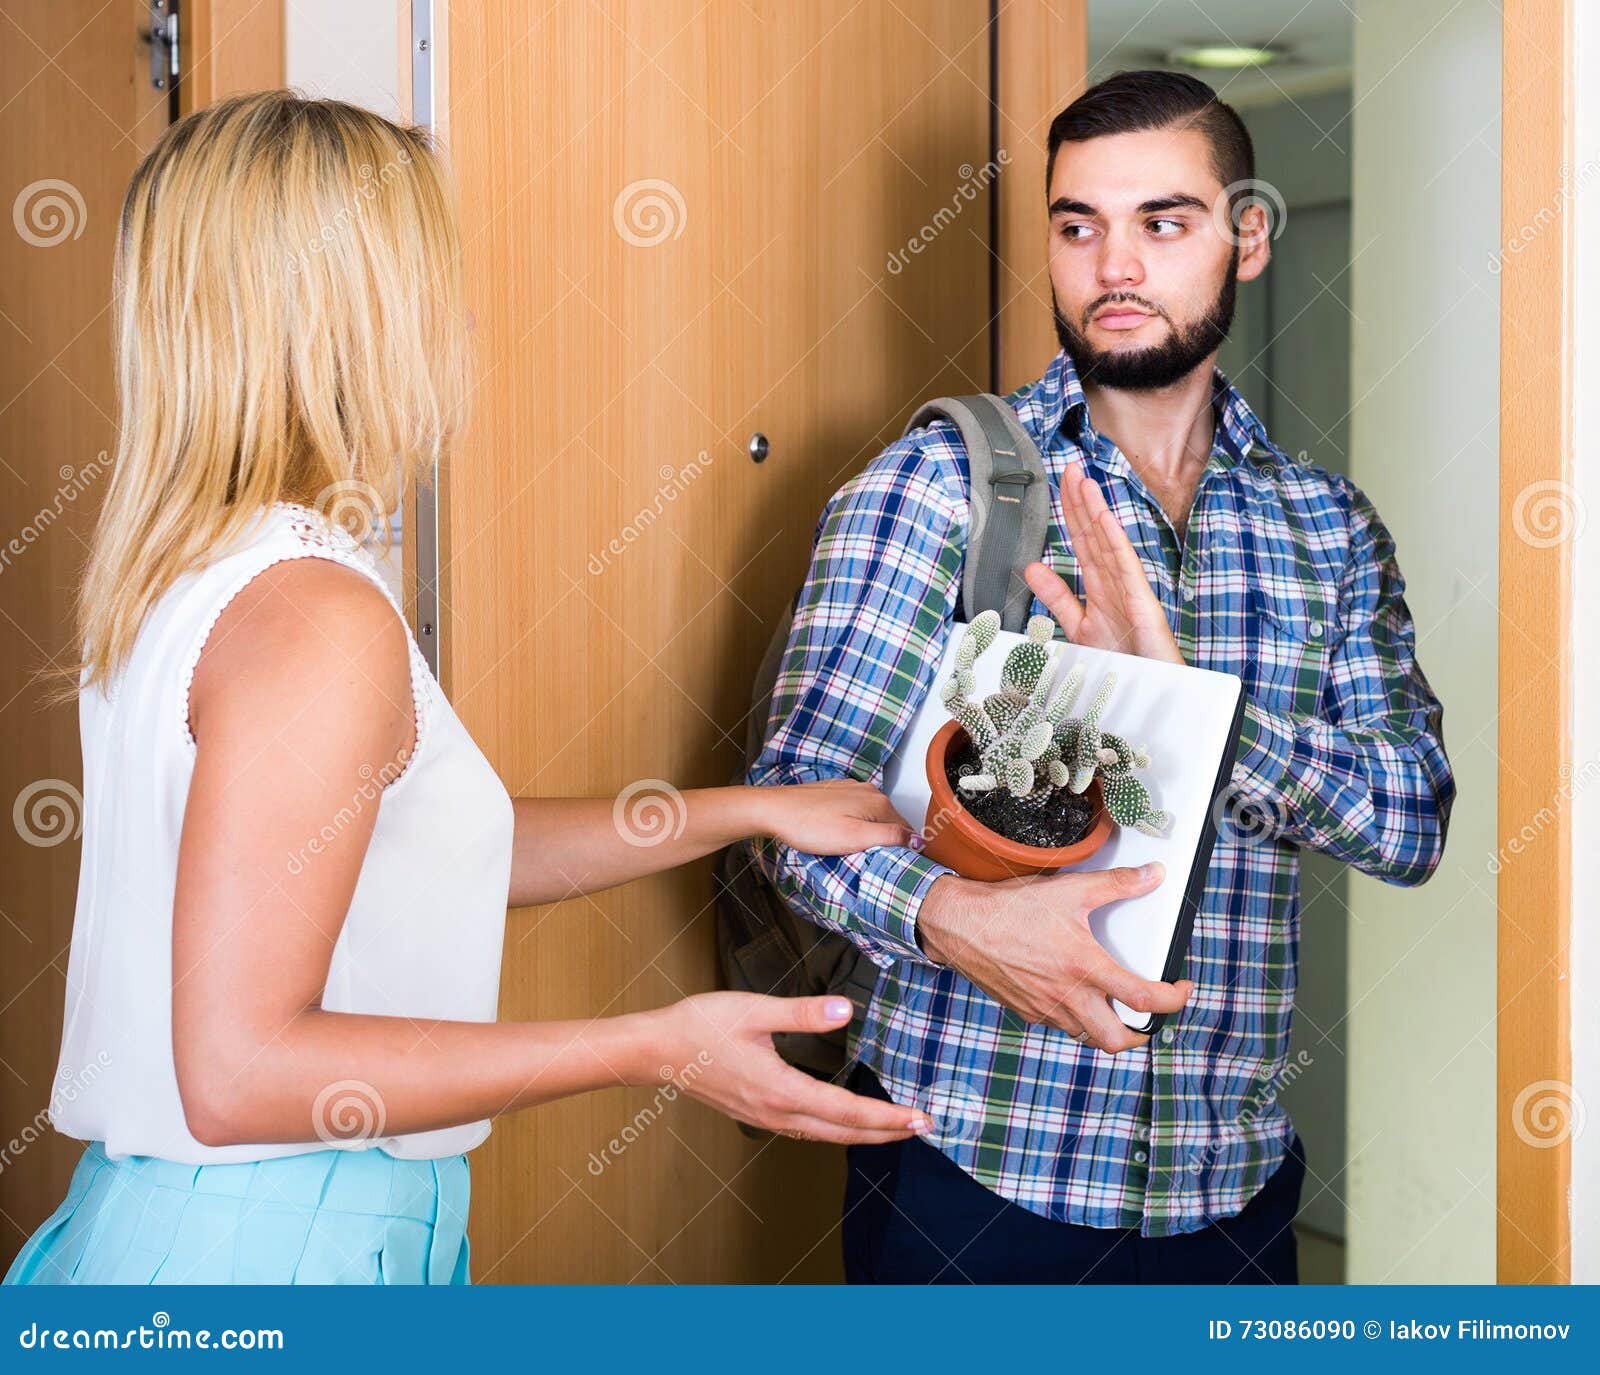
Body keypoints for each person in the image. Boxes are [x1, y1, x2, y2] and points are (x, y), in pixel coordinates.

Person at [4, 92, 933, 1288]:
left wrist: (746, 809)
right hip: (277, 1249)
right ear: (359, 314)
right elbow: (238, 1074)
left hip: (184, 1230)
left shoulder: (185, 576)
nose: (461, 317)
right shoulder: (317, 618)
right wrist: (651, 1047)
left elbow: (401, 852)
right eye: (434, 278)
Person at [747, 70, 1454, 1284]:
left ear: (1249, 235)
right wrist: (956, 920)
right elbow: (787, 814)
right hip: (973, 1177)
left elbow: (1410, 820)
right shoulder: (940, 488)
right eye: (1078, 226)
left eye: (1162, 222)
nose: (1112, 266)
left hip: (1232, 1195)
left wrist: (1198, 711)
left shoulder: (1326, 530)